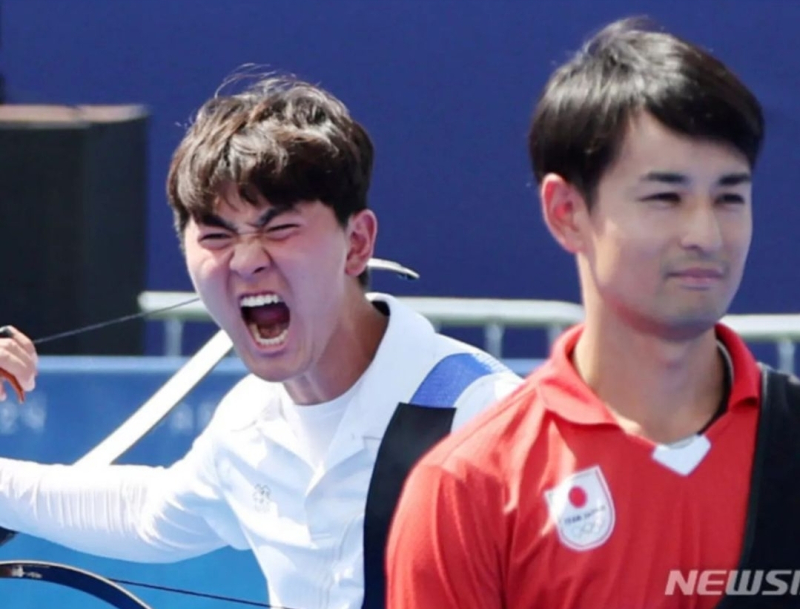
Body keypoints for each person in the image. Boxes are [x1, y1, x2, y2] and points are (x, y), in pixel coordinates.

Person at [0, 75, 522, 609]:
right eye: (216, 236)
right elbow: (149, 514)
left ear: (357, 243)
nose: (246, 260)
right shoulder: (248, 421)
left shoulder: (489, 417)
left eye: (280, 229)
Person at [386, 17, 785, 609]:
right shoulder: (468, 489)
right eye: (665, 197)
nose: (705, 234)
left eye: (729, 197)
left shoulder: (787, 435)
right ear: (566, 212)